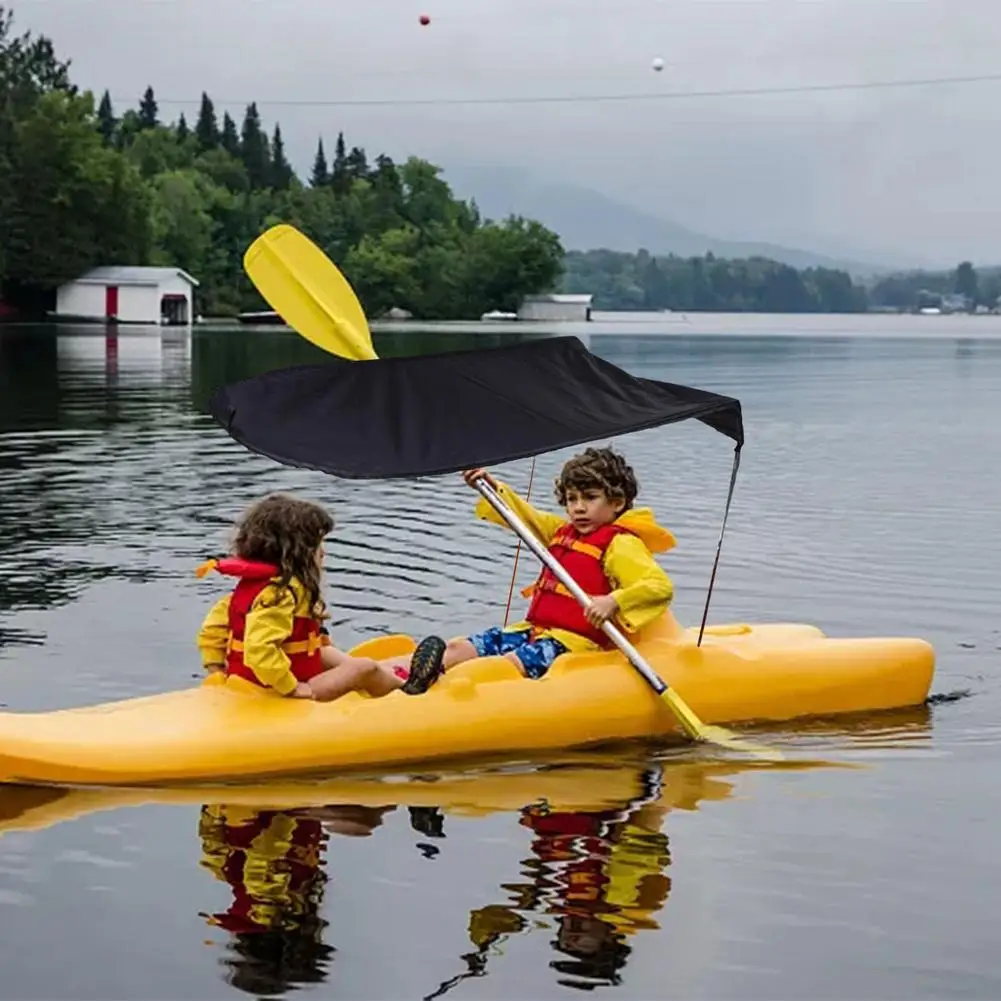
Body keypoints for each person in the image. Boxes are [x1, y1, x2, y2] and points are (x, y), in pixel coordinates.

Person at [408, 446, 676, 681]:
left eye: (590, 498)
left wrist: (613, 601)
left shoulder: (621, 544)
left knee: (501, 667)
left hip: (570, 644)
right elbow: (525, 517)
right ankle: (416, 680)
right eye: (572, 499)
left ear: (617, 503)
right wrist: (492, 488)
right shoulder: (561, 531)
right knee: (458, 649)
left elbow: (658, 586)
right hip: (532, 631)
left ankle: (452, 689)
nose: (579, 508)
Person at [196, 493, 443, 702]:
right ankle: (407, 694)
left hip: (252, 681)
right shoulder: (280, 595)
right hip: (278, 689)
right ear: (298, 552)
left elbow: (212, 632)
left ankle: (387, 673)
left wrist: (216, 671)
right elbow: (259, 650)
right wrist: (291, 687)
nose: (322, 552)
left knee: (325, 651)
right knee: (363, 668)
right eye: (318, 545)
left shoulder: (251, 588)